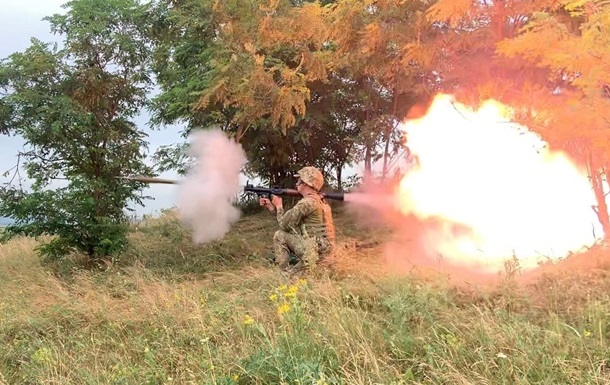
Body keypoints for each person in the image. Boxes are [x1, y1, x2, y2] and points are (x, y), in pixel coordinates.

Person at [259, 166, 336, 273]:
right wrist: (273, 208)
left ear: (305, 183)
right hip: (326, 252)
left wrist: (279, 206)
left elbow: (284, 225)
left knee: (279, 235)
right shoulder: (323, 202)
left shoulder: (307, 202)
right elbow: (293, 226)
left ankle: (283, 272)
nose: (296, 183)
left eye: (298, 180)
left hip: (313, 253)